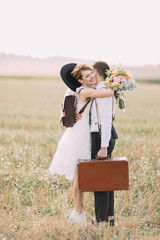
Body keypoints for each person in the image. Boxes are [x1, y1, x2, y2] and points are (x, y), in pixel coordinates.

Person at [49, 63, 113, 223]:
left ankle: (79, 212)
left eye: (92, 73)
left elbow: (64, 106)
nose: (92, 77)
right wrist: (115, 85)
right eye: (87, 76)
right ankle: (78, 213)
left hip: (85, 133)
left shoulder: (76, 91)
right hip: (79, 136)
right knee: (79, 177)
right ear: (80, 80)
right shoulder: (84, 91)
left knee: (81, 177)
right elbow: (107, 93)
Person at [90, 61, 118, 226]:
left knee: (100, 179)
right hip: (104, 137)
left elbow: (106, 121)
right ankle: (109, 219)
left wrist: (103, 146)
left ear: (95, 72)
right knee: (107, 179)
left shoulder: (103, 93)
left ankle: (101, 221)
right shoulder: (107, 91)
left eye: (91, 73)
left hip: (101, 138)